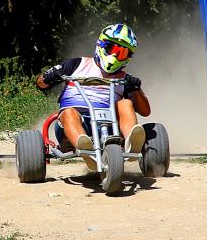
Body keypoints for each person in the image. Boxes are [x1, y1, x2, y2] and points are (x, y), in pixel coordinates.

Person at [36, 23, 151, 170]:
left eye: (122, 53)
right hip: (75, 121)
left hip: (110, 125)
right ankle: (85, 149)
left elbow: (145, 112)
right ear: (102, 45)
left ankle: (131, 143)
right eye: (113, 49)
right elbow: (40, 83)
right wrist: (48, 76)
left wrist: (137, 89)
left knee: (126, 103)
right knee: (68, 112)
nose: (116, 55)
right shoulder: (76, 64)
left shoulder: (125, 79)